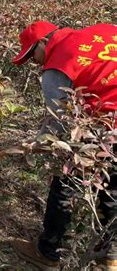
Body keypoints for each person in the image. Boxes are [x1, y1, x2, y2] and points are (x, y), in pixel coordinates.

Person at [10, 21, 117, 270]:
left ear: (44, 42)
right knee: (113, 189)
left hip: (100, 125)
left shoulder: (57, 64)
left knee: (64, 184)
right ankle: (109, 255)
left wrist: (36, 143)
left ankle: (48, 254)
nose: (34, 64)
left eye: (32, 55)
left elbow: (59, 123)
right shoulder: (106, 29)